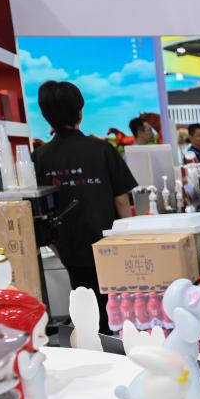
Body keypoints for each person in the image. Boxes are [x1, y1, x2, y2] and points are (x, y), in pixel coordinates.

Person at [32, 81, 136, 334]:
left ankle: (91, 344)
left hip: (69, 247)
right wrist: (129, 240)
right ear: (79, 112)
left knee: (85, 307)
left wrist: (57, 246)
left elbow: (38, 210)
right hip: (108, 245)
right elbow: (122, 201)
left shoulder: (40, 157)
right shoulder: (101, 149)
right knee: (115, 308)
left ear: (46, 115)